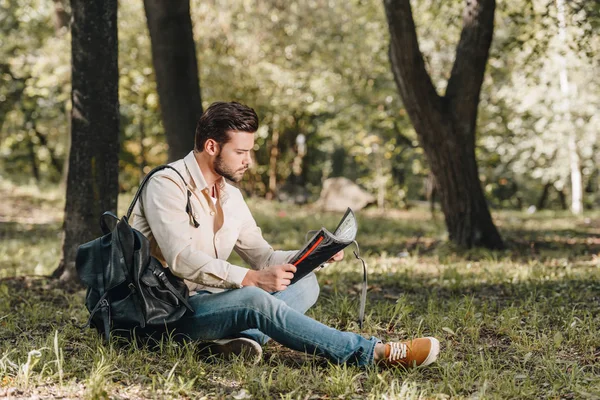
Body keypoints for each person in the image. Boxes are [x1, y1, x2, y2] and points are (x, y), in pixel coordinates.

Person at [132, 101, 440, 367]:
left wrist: (312, 255)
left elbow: (262, 256)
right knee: (253, 298)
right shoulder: (166, 184)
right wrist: (250, 279)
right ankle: (373, 351)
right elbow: (180, 259)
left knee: (305, 282)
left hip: (205, 301)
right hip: (163, 314)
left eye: (249, 151)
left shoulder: (230, 196)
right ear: (212, 146)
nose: (248, 161)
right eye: (240, 152)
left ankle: (239, 343)